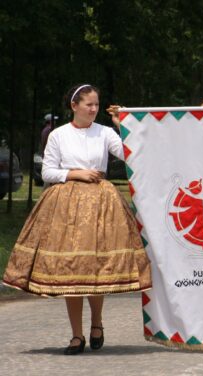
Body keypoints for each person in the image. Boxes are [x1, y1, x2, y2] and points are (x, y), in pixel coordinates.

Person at [2, 84, 152, 355]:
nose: (94, 109)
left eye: (97, 105)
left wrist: (121, 125)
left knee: (96, 266)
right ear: (74, 106)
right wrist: (74, 174)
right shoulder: (58, 135)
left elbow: (132, 154)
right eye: (89, 105)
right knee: (72, 270)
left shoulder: (105, 132)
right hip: (66, 206)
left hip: (101, 205)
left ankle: (96, 324)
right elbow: (47, 171)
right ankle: (76, 335)